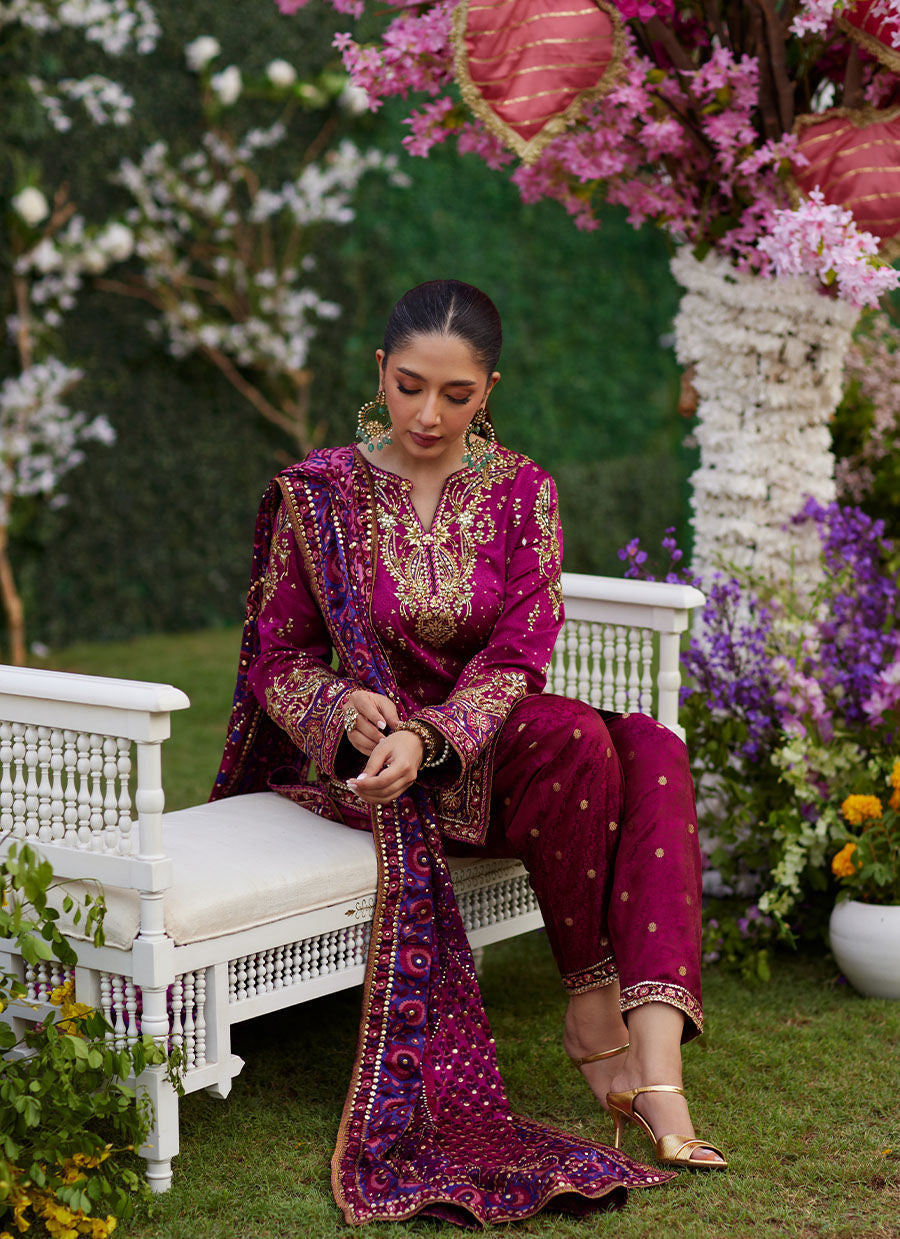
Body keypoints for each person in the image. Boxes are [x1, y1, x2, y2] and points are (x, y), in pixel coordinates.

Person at [213, 279, 726, 1228]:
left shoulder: (524, 491)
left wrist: (433, 731)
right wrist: (345, 708)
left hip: (468, 738)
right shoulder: (317, 493)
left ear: (489, 387)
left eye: (456, 394)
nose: (428, 414)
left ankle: (655, 1063)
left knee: (651, 745)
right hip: (368, 770)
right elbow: (276, 660)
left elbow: (520, 650)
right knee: (583, 742)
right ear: (381, 371)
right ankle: (592, 1008)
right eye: (410, 387)